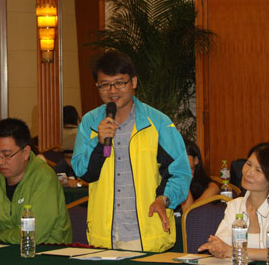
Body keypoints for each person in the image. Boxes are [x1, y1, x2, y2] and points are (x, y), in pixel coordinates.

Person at [71, 50, 191, 252]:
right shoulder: (90, 123)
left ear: (133, 82)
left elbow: (179, 173)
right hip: (104, 236)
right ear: (97, 86)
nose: (112, 91)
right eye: (105, 85)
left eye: (119, 83)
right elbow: (83, 173)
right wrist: (98, 142)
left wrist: (164, 199)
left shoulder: (158, 123)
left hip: (147, 234)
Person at [199, 140, 269, 262]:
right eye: (248, 164)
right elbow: (222, 244)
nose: (248, 173)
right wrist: (217, 248)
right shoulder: (235, 205)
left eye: (258, 170)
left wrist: (233, 251)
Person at [181, 139, 220, 211]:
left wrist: (184, 180)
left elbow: (188, 211)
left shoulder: (211, 187)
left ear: (195, 160)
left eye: (183, 157)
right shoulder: (171, 180)